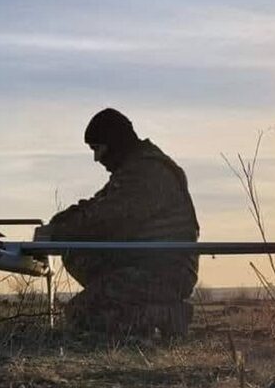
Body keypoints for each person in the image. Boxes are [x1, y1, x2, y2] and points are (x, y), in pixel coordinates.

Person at [34, 108, 199, 337]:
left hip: (164, 272)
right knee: (76, 252)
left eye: (98, 149)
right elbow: (96, 205)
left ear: (114, 143)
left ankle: (164, 315)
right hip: (144, 263)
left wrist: (57, 234)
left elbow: (108, 220)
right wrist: (59, 223)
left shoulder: (148, 172)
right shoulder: (135, 169)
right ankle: (144, 310)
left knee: (82, 315)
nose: (97, 158)